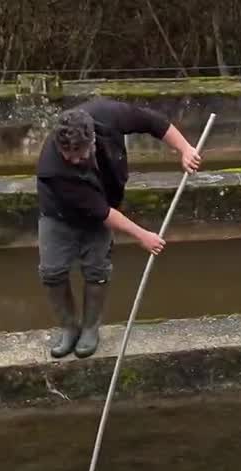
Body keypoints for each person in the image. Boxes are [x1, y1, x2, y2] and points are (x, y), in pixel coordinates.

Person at [35, 97, 203, 358]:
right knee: (52, 272)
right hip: (59, 215)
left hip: (104, 201)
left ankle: (90, 329)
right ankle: (69, 328)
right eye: (68, 155)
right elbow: (101, 213)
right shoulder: (53, 168)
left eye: (79, 155)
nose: (74, 160)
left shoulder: (107, 114)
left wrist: (185, 149)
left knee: (96, 269)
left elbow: (152, 122)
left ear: (92, 139)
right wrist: (143, 235)